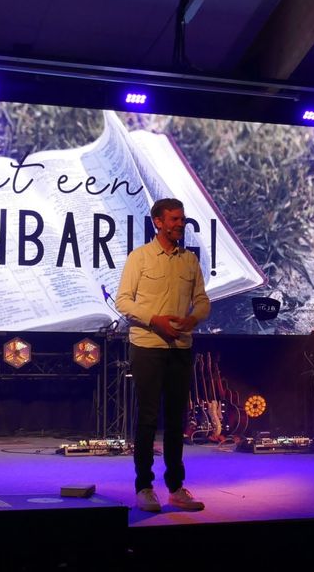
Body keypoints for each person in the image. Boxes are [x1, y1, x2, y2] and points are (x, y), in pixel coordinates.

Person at [115, 198, 210, 512]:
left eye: (181, 219)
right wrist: (154, 319)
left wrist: (193, 319)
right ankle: (144, 486)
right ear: (158, 222)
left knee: (175, 420)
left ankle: (175, 487)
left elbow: (202, 302)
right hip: (147, 347)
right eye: (173, 219)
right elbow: (123, 302)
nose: (179, 224)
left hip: (180, 349)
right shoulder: (140, 258)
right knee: (147, 419)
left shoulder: (189, 261)